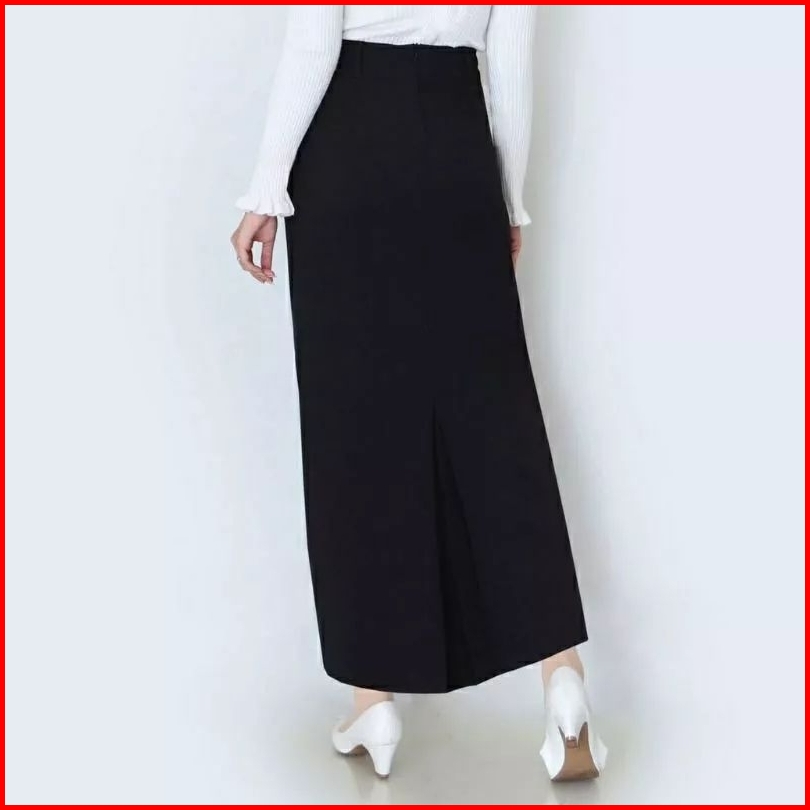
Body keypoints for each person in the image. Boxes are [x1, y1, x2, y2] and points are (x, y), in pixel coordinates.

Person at [231, 5, 607, 782]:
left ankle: (374, 700)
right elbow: (510, 69)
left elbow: (313, 41)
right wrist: (508, 199)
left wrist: (266, 188)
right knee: (496, 412)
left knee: (355, 424)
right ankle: (562, 676)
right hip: (457, 143)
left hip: (346, 149)